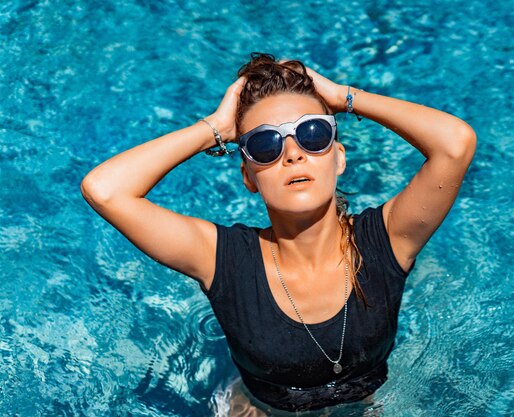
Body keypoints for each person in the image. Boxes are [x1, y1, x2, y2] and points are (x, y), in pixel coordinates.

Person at [80, 52, 476, 415]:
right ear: (248, 177)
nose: (293, 153)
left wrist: (344, 97)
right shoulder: (224, 259)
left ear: (339, 157)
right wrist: (215, 128)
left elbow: (455, 144)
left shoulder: (386, 240)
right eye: (265, 144)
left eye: (314, 134)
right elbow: (105, 190)